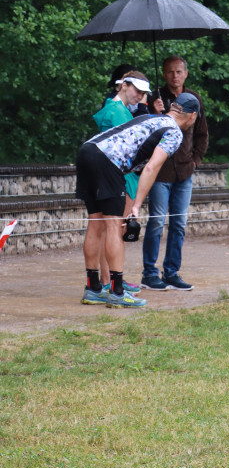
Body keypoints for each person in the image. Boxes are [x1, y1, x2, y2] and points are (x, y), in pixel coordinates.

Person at [76, 94, 199, 308]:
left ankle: (93, 288)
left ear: (173, 107)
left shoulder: (152, 118)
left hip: (87, 150)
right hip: (108, 160)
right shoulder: (173, 132)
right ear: (192, 116)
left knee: (95, 223)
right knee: (114, 224)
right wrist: (135, 206)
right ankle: (117, 292)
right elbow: (151, 167)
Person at [140, 56, 209, 292]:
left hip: (184, 172)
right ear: (164, 73)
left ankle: (172, 272)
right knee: (157, 222)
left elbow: (202, 135)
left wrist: (195, 162)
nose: (175, 76)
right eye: (170, 72)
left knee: (179, 223)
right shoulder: (154, 99)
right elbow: (145, 134)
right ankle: (150, 273)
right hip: (160, 172)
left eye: (179, 71)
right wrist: (155, 111)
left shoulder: (194, 100)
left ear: (186, 73)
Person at [92, 69, 155, 295]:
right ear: (124, 85)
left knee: (111, 230)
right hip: (122, 176)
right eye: (137, 91)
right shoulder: (117, 112)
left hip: (119, 175)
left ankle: (111, 278)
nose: (140, 96)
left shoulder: (118, 109)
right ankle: (109, 279)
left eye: (143, 93)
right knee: (114, 230)